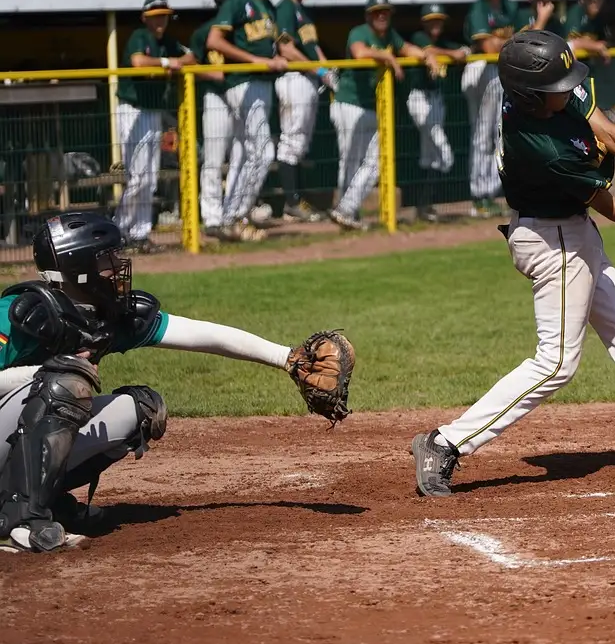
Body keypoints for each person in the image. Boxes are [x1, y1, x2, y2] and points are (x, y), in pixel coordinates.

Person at [411, 31, 615, 497]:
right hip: (554, 244)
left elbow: (609, 130)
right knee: (555, 364)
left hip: (573, 233)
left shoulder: (551, 92)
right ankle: (444, 442)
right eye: (557, 88)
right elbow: (612, 207)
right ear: (529, 96)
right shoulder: (543, 149)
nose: (568, 91)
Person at [0, 212, 352, 553]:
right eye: (106, 259)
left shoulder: (102, 315)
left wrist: (285, 359)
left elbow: (200, 334)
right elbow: (50, 380)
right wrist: (43, 373)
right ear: (78, 271)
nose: (118, 265)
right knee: (64, 383)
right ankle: (19, 520)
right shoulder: (18, 316)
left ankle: (45, 500)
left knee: (139, 409)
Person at [329, 0, 438, 231]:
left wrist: (427, 55)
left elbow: (407, 48)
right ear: (368, 16)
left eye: (385, 12)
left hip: (370, 106)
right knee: (349, 161)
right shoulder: (359, 32)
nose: (382, 16)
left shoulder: (389, 35)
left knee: (376, 162)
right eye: (377, 12)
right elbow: (359, 53)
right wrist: (388, 57)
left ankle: (346, 209)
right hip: (348, 104)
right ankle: (346, 210)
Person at [204, 0, 291, 242]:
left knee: (247, 154)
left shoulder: (268, 6)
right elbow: (214, 40)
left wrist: (318, 69)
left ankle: (231, 217)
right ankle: (236, 216)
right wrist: (255, 61)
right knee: (264, 152)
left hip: (262, 84)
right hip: (243, 82)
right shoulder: (239, 1)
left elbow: (283, 43)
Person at [114, 0, 195, 254]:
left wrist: (175, 62)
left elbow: (192, 57)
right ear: (145, 18)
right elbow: (138, 61)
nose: (160, 20)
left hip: (152, 111)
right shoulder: (140, 35)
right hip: (132, 109)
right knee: (137, 177)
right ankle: (118, 231)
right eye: (155, 15)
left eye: (164, 15)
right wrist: (164, 63)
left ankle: (140, 233)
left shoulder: (167, 41)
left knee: (149, 177)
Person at [190, 0, 262, 242]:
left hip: (243, 94)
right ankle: (211, 217)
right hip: (216, 97)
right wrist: (213, 74)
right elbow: (192, 63)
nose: (229, 1)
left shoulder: (245, 32)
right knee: (214, 157)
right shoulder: (206, 30)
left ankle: (232, 214)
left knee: (244, 154)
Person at [274, 0, 338, 223]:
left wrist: (326, 69)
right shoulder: (285, 9)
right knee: (291, 142)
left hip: (307, 78)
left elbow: (313, 46)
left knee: (300, 143)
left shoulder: (303, 11)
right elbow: (285, 48)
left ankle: (296, 201)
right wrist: (318, 70)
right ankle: (291, 203)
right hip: (293, 78)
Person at [461, 0, 520, 219]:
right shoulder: (479, 8)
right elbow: (487, 45)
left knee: (498, 134)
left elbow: (524, 37)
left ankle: (489, 193)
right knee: (482, 135)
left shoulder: (510, 7)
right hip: (482, 70)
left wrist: (507, 42)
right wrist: (511, 41)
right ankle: (479, 196)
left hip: (499, 70)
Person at [405, 4, 468, 223]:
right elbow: (429, 51)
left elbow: (464, 51)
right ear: (424, 22)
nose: (435, 25)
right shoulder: (419, 36)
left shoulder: (443, 41)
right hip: (419, 98)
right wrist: (454, 54)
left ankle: (424, 206)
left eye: (438, 20)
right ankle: (422, 202)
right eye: (431, 20)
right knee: (444, 155)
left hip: (436, 99)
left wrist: (462, 52)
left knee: (429, 156)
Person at [564, 0, 611, 67]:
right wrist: (595, 45)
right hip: (571, 71)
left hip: (589, 67)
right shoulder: (576, 12)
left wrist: (595, 45)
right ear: (582, 0)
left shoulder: (601, 17)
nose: (595, 1)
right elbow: (570, 44)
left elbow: (605, 43)